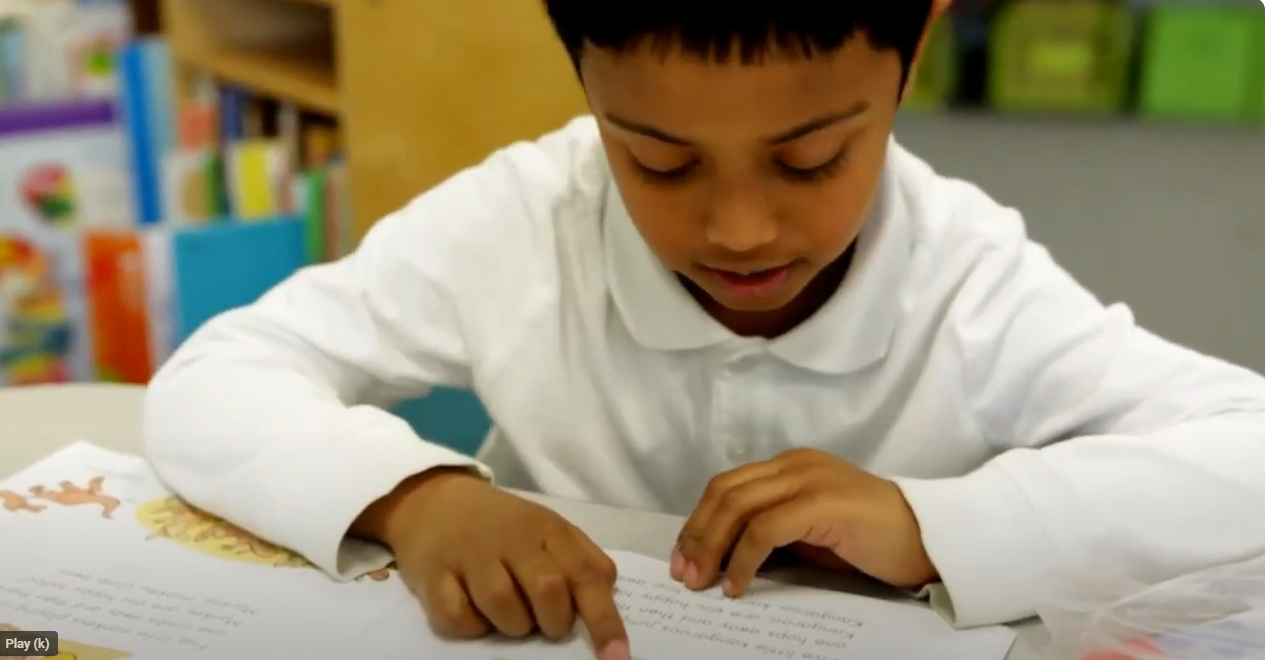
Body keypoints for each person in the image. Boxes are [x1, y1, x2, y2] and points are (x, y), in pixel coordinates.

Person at [140, 2, 1265, 660]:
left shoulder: (965, 280)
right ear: (581, 76)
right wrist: (416, 496)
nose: (737, 230)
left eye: (811, 158)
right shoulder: (523, 219)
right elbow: (218, 375)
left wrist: (933, 522)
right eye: (657, 160)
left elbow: (1246, 452)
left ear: (914, 47)